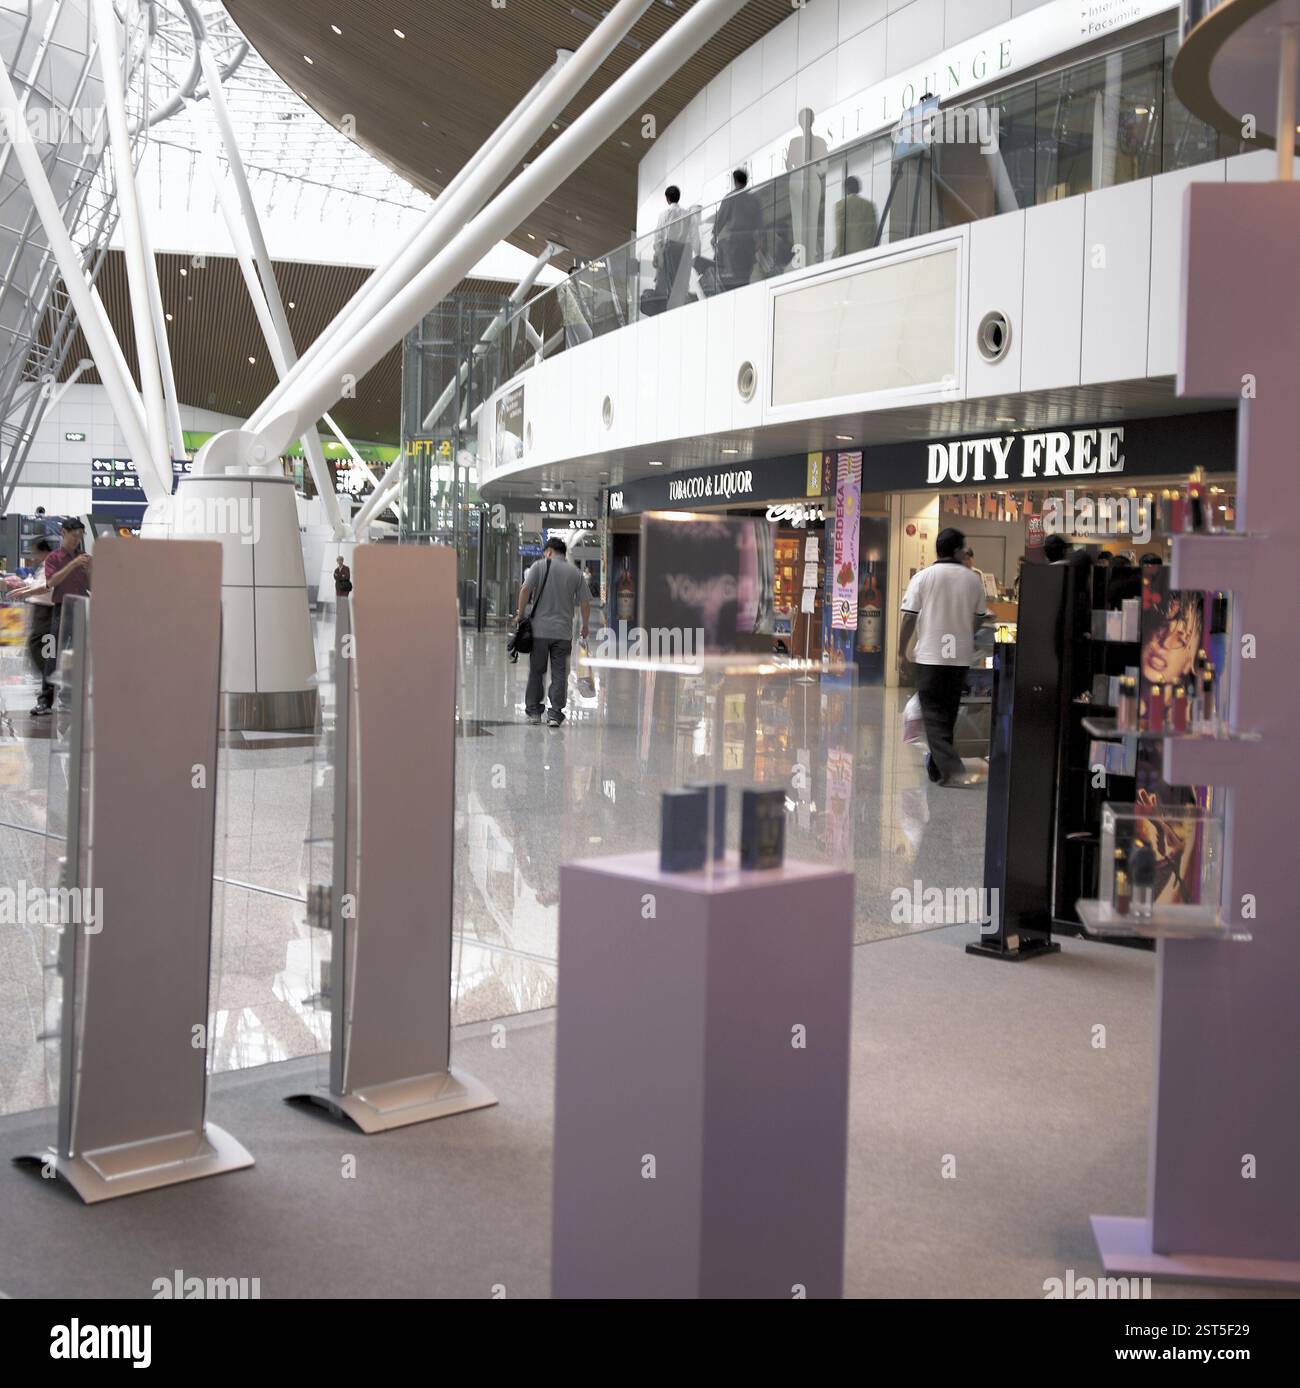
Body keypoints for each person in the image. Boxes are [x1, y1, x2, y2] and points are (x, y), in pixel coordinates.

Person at [897, 527, 988, 787]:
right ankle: (938, 770)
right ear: (958, 550)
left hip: (929, 656)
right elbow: (979, 619)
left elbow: (909, 617)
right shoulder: (973, 580)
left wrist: (901, 652)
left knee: (933, 714)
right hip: (958, 658)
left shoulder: (923, 578)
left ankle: (951, 767)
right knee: (946, 714)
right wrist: (965, 634)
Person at [512, 537, 589, 728]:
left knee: (537, 672)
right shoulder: (575, 573)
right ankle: (554, 715)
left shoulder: (539, 566)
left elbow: (524, 591)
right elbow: (585, 601)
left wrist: (520, 616)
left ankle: (534, 713)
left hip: (539, 631)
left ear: (548, 552)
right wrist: (585, 625)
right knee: (560, 674)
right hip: (563, 633)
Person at [2, 537, 55, 714]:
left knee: (39, 649)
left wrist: (23, 590)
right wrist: (22, 586)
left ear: (43, 550)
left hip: (47, 611)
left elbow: (46, 587)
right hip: (41, 610)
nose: (33, 556)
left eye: (35, 551)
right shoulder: (45, 564)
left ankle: (51, 682)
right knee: (39, 649)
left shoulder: (51, 563)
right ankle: (49, 683)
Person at [43, 518, 91, 699]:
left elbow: (92, 587)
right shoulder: (53, 558)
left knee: (80, 654)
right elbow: (51, 582)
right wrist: (73, 564)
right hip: (61, 611)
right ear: (63, 533)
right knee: (52, 654)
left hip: (82, 610)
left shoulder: (85, 558)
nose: (77, 539)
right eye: (74, 535)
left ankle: (73, 696)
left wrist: (89, 570)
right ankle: (45, 699)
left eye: (80, 536)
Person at [712, 169, 760, 290]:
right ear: (746, 181)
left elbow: (721, 217)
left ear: (735, 181)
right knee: (745, 275)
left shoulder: (731, 197)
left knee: (734, 273)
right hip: (749, 242)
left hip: (735, 241)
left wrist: (714, 235)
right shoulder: (753, 199)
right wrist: (760, 240)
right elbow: (759, 222)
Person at [652, 186, 699, 310]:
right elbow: (694, 235)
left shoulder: (664, 214)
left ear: (667, 199)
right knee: (683, 281)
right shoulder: (688, 214)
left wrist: (657, 253)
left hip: (671, 249)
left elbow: (658, 236)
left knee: (671, 282)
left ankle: (674, 308)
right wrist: (697, 253)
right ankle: (682, 305)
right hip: (685, 249)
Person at [834, 175, 878, 257]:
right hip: (866, 252)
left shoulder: (841, 205)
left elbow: (840, 229)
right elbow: (874, 230)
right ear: (858, 188)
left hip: (848, 253)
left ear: (846, 189)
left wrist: (839, 252)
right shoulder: (869, 205)